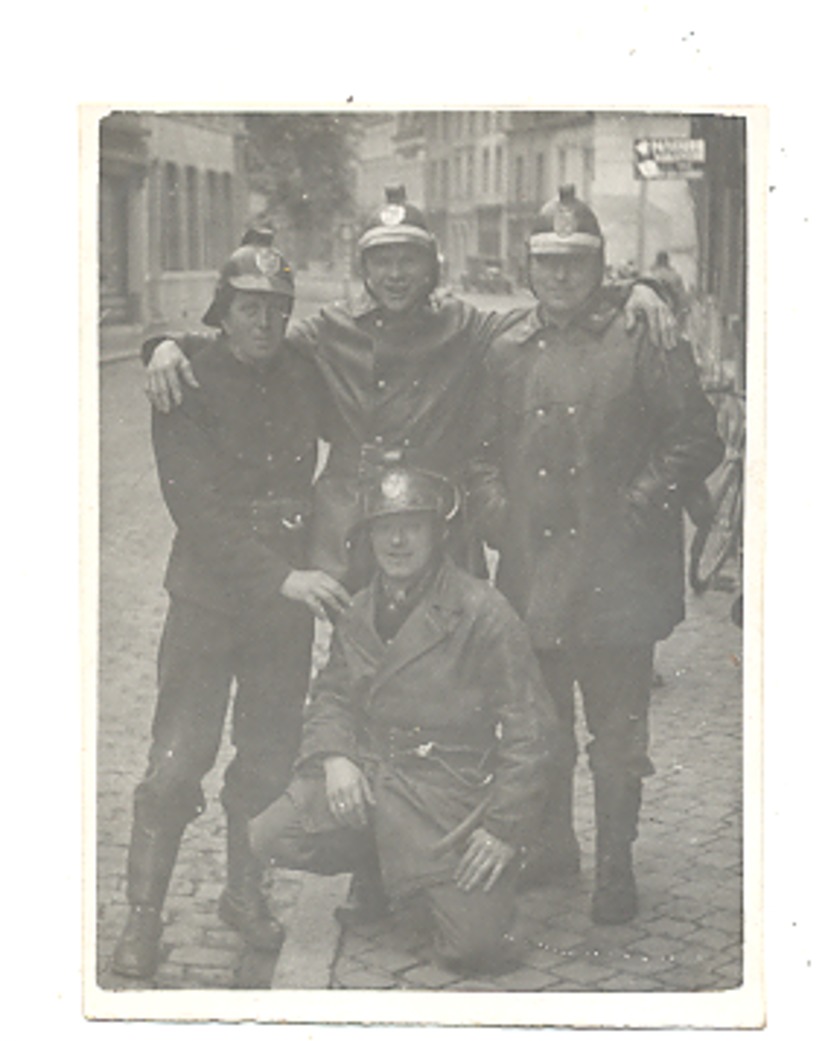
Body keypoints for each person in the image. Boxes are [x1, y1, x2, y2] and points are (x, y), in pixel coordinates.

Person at [143, 187, 678, 592]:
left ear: (431, 265)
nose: (395, 274)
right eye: (382, 260)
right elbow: (245, 340)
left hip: (437, 515)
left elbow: (550, 309)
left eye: (409, 259)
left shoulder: (465, 325)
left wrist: (635, 288)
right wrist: (165, 343)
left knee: (448, 652)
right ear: (365, 268)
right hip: (352, 521)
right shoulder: (330, 329)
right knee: (357, 655)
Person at [468, 186, 723, 924]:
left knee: (615, 739)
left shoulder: (641, 338)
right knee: (540, 728)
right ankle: (551, 847)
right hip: (534, 573)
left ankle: (616, 865)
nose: (560, 278)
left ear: (599, 268)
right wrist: (495, 514)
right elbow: (479, 452)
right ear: (528, 268)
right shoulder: (506, 348)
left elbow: (694, 437)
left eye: (575, 264)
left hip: (617, 574)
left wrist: (641, 499)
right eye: (546, 263)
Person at [111, 243, 351, 979]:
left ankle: (244, 894)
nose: (266, 322)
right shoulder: (186, 378)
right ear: (224, 310)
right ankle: (144, 918)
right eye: (251, 307)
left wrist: (320, 550)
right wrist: (159, 345)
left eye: (279, 309)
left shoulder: (304, 372)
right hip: (210, 601)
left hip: (282, 611)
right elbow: (197, 509)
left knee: (269, 758)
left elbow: (357, 427)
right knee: (177, 761)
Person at [249, 465, 558, 973]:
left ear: (438, 533)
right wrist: (335, 757)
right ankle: (381, 869)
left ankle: (423, 882)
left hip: (445, 798)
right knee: (272, 833)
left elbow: (533, 730)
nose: (396, 541)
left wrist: (503, 829)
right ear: (366, 537)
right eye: (383, 527)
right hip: (373, 778)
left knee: (475, 948)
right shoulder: (360, 608)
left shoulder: (482, 610)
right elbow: (331, 694)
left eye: (412, 525)